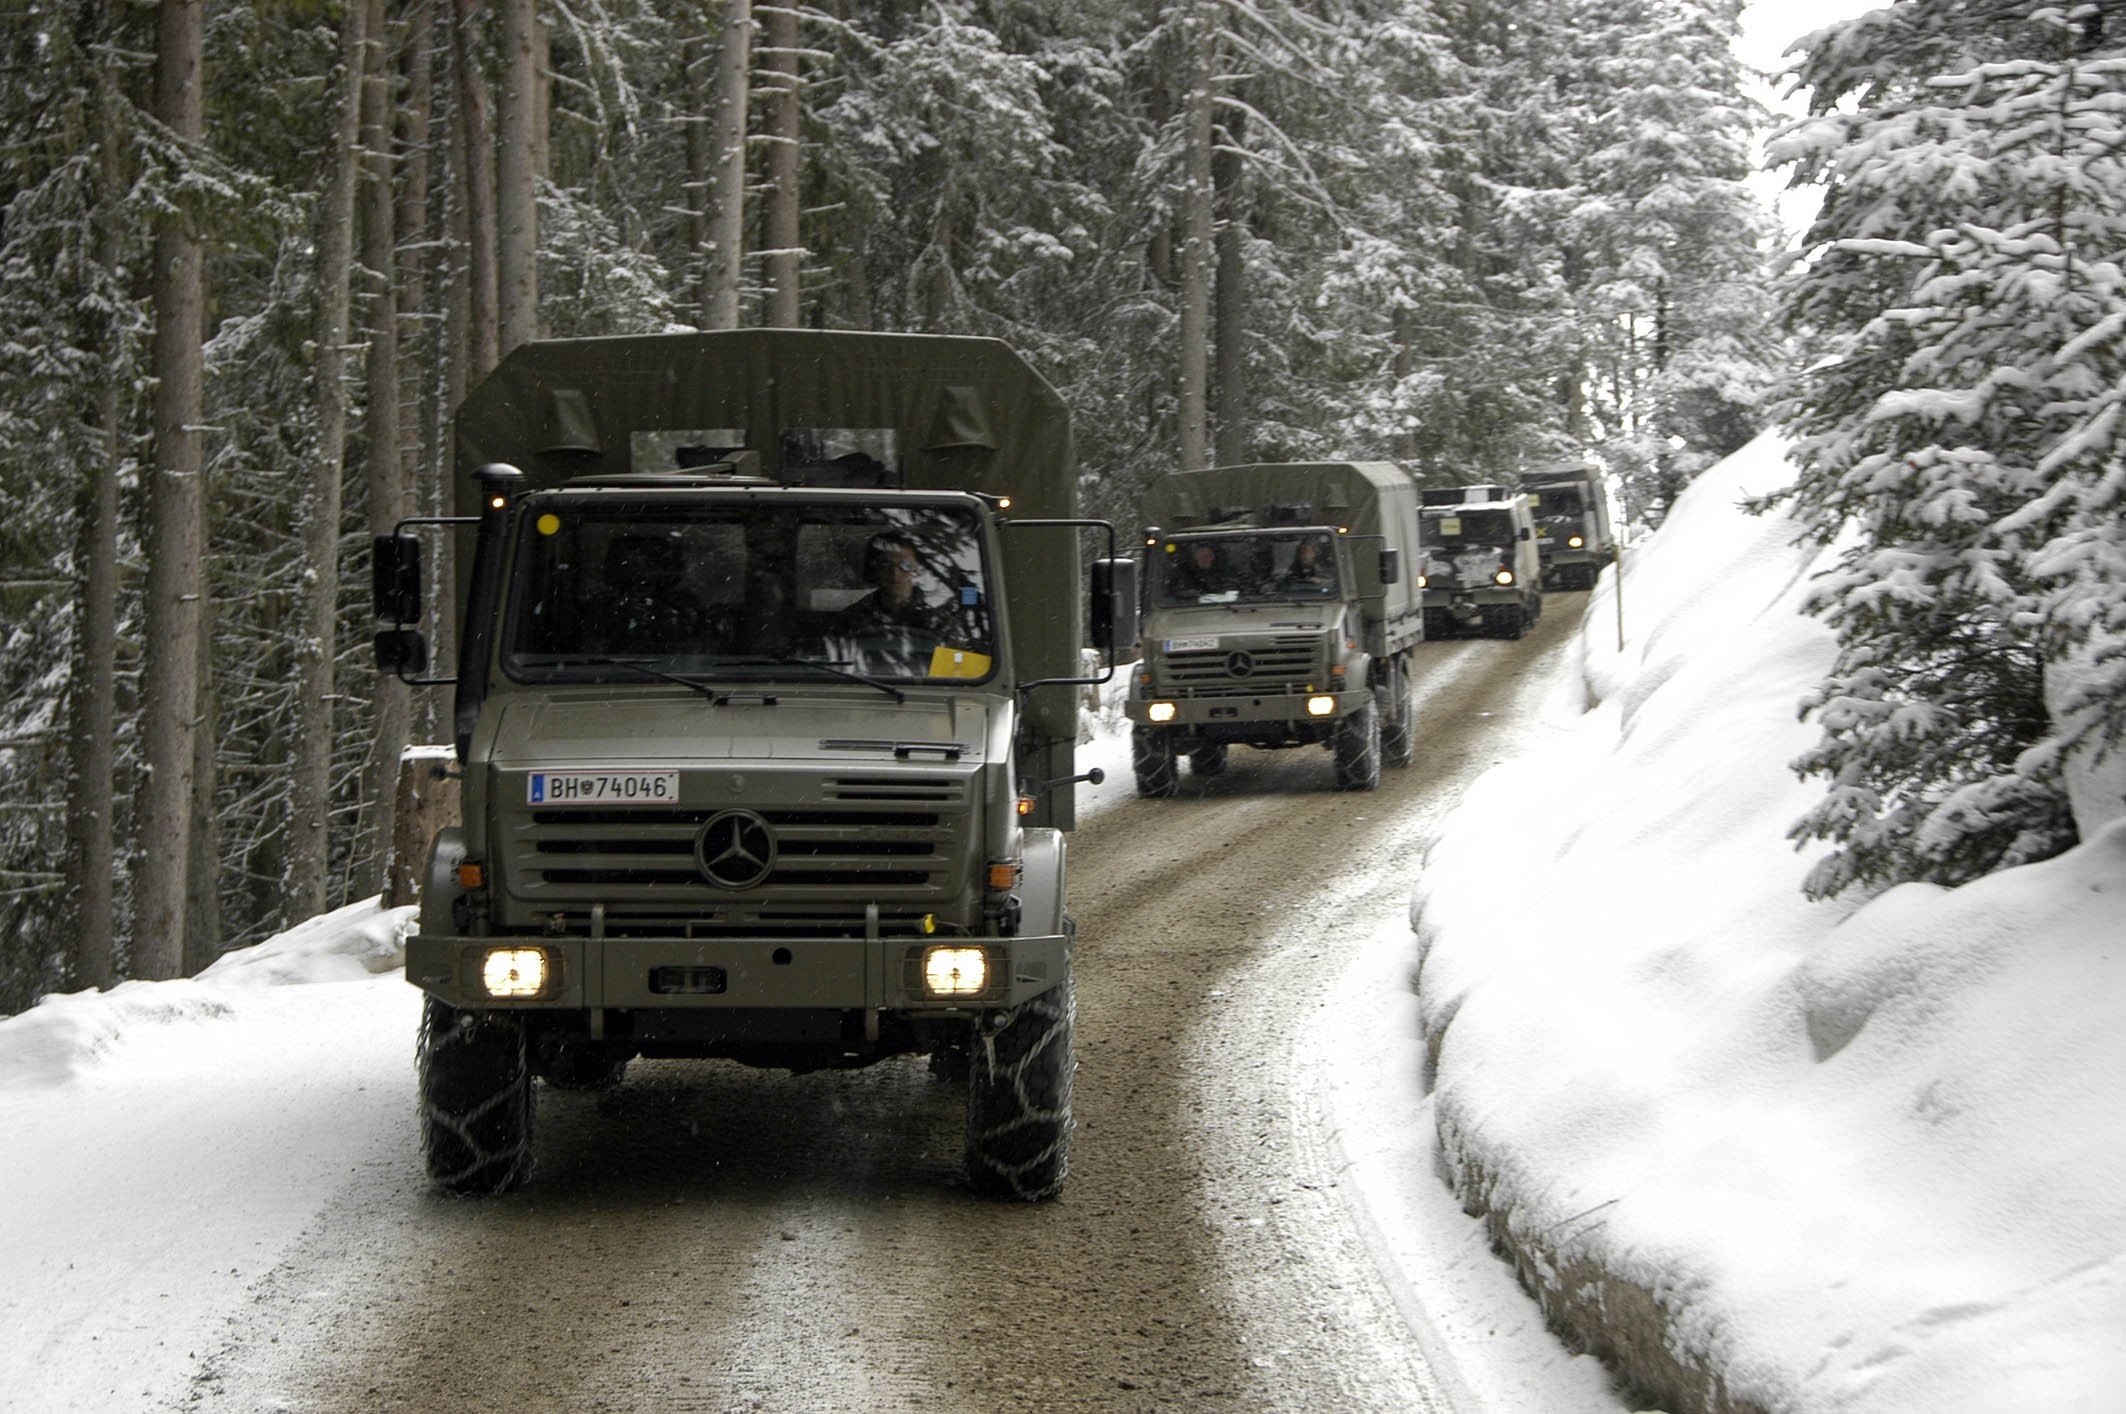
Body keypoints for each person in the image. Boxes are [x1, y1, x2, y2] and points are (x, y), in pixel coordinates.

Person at [834, 531, 948, 635]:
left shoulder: (937, 617)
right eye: (886, 563)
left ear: (917, 570)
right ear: (876, 568)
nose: (895, 572)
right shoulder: (853, 616)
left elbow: (953, 656)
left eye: (906, 565)